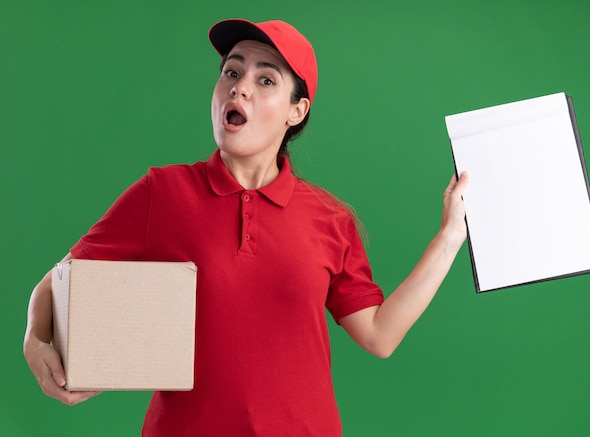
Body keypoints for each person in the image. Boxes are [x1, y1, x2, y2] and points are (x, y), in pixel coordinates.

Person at [23, 18, 468, 436]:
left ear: (297, 110)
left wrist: (448, 237)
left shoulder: (330, 219)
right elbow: (60, 279)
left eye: (266, 80)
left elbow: (379, 334)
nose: (240, 89)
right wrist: (34, 343)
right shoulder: (163, 192)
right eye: (231, 73)